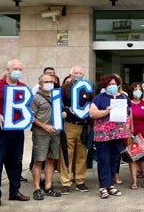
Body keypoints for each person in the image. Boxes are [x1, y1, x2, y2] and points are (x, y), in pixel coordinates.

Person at [0, 59, 30, 207]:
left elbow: (27, 107)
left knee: (16, 162)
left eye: (20, 68)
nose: (17, 71)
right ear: (7, 70)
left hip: (18, 131)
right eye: (14, 68)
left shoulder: (24, 87)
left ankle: (14, 191)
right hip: (1, 131)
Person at [90, 74, 132, 199]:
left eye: (114, 84)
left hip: (119, 135)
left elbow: (129, 113)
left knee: (114, 160)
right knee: (104, 160)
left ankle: (111, 185)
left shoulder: (124, 97)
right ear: (105, 85)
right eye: (109, 84)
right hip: (103, 136)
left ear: (118, 84)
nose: (112, 86)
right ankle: (103, 187)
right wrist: (106, 111)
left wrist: (129, 129)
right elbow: (92, 113)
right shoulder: (99, 98)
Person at [59, 66, 93, 194]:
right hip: (70, 125)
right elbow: (59, 104)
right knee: (67, 154)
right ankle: (66, 182)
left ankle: (80, 181)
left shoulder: (88, 87)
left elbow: (92, 103)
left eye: (80, 73)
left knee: (82, 155)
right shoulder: (65, 88)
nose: (78, 74)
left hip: (84, 126)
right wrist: (67, 110)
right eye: (76, 73)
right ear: (70, 74)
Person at [31, 74, 64, 200]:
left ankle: (48, 186)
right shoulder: (35, 98)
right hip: (41, 133)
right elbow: (31, 117)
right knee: (39, 160)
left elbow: (59, 111)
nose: (49, 83)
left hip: (55, 132)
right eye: (46, 81)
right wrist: (44, 126)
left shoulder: (57, 97)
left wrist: (63, 114)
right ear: (40, 84)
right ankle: (37, 189)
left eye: (51, 81)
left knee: (51, 159)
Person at [128, 82, 144, 190]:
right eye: (135, 89)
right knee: (133, 158)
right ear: (131, 91)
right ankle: (134, 181)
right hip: (132, 134)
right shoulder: (128, 103)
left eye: (139, 89)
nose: (138, 91)